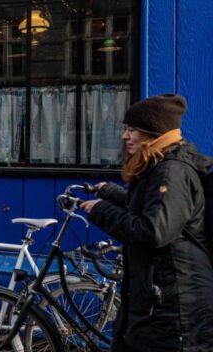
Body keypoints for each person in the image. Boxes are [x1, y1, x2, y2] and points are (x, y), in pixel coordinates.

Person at [80, 94, 213, 352]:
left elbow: (154, 231)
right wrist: (110, 192)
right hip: (157, 302)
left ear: (154, 132)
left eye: (132, 130)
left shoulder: (171, 171)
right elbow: (151, 208)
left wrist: (101, 210)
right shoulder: (158, 165)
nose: (125, 136)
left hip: (177, 308)